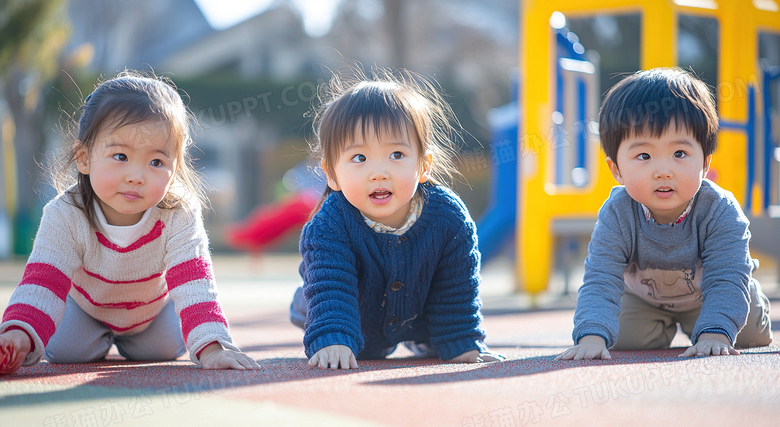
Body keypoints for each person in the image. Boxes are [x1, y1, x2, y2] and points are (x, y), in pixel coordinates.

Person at [0, 71, 259, 374]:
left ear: (175, 171)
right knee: (66, 350)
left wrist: (213, 349)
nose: (137, 175)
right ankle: (93, 337)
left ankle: (135, 339)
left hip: (151, 313)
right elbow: (44, 280)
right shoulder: (64, 213)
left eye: (156, 162)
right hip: (86, 309)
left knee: (164, 349)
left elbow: (194, 283)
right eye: (120, 156)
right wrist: (18, 333)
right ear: (83, 157)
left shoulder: (179, 212)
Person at [290, 66, 503, 369]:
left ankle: (423, 336)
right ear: (332, 175)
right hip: (349, 310)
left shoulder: (448, 218)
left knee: (438, 342)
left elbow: (458, 288)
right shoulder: (330, 225)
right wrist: (332, 337)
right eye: (359, 158)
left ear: (424, 165)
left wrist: (462, 342)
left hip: (417, 313)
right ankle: (305, 307)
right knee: (326, 313)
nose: (379, 173)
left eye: (397, 155)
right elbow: (332, 286)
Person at [556, 67, 772, 361]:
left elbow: (724, 277)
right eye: (644, 156)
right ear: (616, 169)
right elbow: (600, 277)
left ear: (705, 163)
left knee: (746, 335)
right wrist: (591, 337)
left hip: (709, 292)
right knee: (622, 338)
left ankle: (735, 306)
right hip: (646, 299)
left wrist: (714, 334)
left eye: (679, 154)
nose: (663, 171)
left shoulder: (720, 210)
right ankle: (661, 327)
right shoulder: (618, 213)